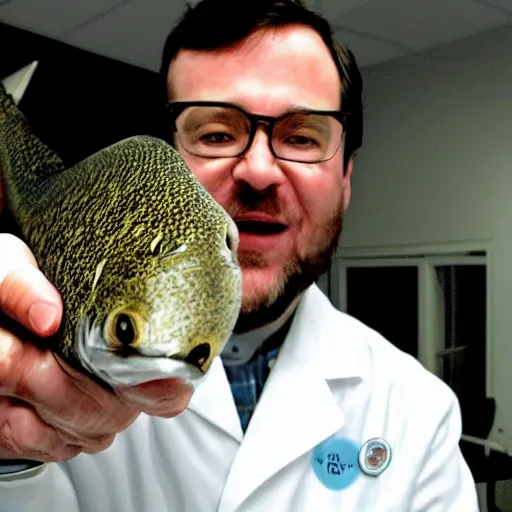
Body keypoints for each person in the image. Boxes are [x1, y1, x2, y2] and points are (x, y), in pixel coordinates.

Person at [0, 0, 479, 510]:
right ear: (170, 162)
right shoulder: (51, 339)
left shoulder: (420, 414)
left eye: (300, 135)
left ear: (345, 180)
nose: (258, 170)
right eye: (216, 134)